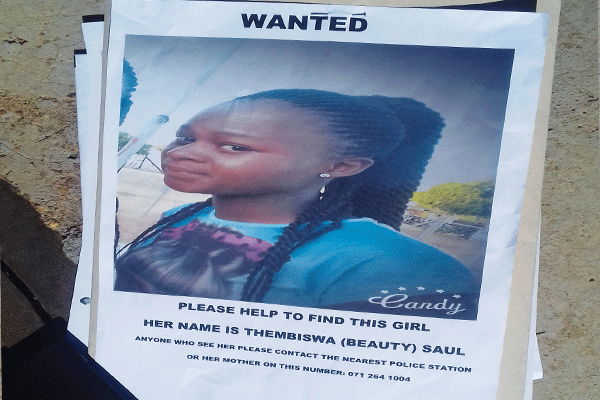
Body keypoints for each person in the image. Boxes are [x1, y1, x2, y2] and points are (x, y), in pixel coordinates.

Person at [114, 89, 479, 320]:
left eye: (235, 146)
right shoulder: (179, 217)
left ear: (342, 166)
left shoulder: (395, 267)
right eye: (185, 137)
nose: (181, 153)